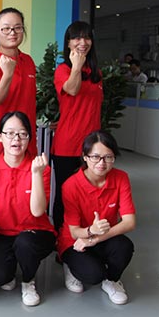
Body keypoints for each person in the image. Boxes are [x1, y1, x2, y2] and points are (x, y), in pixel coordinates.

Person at [0, 112, 55, 306]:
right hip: (3, 233)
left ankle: (28, 280)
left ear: (29, 138)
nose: (16, 139)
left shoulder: (41, 168)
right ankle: (10, 268)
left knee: (25, 244)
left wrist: (36, 174)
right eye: (9, 133)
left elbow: (38, 211)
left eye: (22, 134)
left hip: (35, 232)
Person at [58, 130, 136, 305]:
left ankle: (112, 280)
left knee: (125, 246)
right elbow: (74, 231)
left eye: (108, 157)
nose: (102, 163)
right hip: (76, 241)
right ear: (85, 157)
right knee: (93, 275)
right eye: (95, 157)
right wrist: (90, 231)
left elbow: (129, 222)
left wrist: (95, 238)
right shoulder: (71, 185)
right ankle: (69, 265)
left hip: (103, 237)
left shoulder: (121, 178)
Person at [51, 21, 103, 232]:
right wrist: (77, 67)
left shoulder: (97, 73)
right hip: (67, 146)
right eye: (77, 38)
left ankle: (86, 235)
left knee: (90, 194)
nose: (83, 42)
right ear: (68, 43)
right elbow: (72, 90)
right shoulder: (63, 70)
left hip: (92, 147)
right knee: (66, 195)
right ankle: (62, 238)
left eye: (87, 37)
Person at [0, 7, 37, 160]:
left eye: (18, 28)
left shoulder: (28, 61)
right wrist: (8, 73)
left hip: (27, 142)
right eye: (6, 29)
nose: (12, 33)